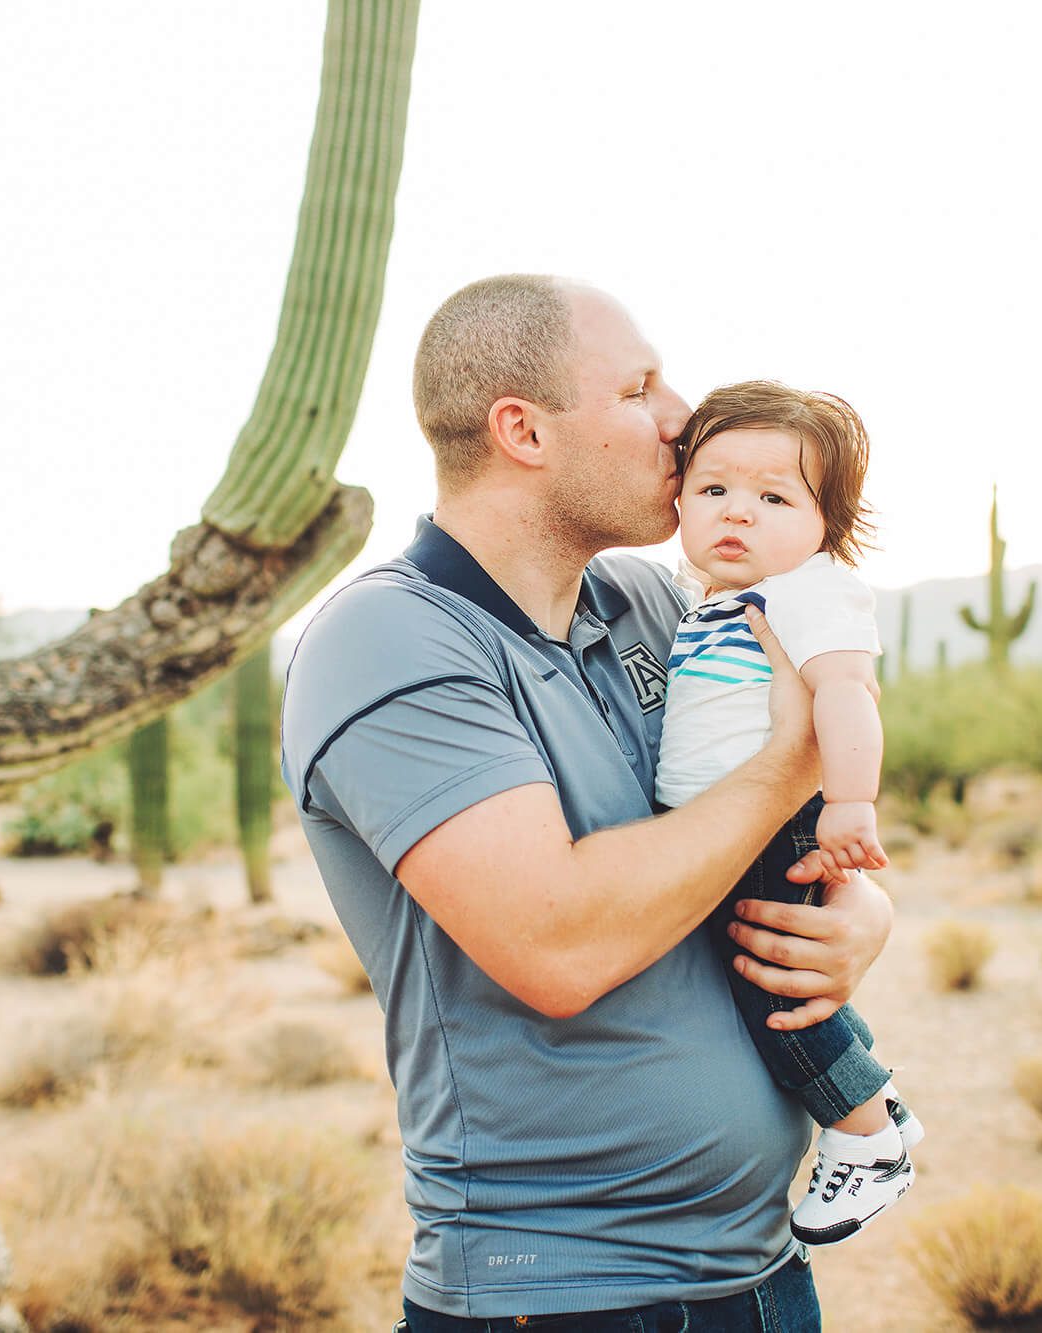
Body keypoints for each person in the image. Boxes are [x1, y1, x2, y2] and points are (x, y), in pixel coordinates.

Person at [279, 274, 892, 1331]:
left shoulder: (661, 604)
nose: (681, 419)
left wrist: (859, 917)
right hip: (562, 1294)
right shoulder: (391, 641)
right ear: (521, 430)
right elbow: (556, 944)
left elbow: (792, 797)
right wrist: (784, 768)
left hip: (757, 1273)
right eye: (639, 388)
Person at [655, 381, 923, 1248]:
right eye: (715, 489)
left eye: (775, 497)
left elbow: (847, 693)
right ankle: (874, 1100)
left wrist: (851, 801)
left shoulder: (806, 590)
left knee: (772, 987)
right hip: (729, 822)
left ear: (826, 523)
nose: (740, 512)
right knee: (778, 974)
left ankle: (866, 1138)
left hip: (771, 825)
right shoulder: (718, 598)